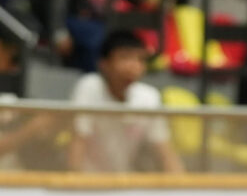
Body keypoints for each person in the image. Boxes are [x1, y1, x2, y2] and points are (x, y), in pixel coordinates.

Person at [68, 26, 180, 172]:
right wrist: (74, 180)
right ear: (104, 63)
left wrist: (181, 181)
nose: (133, 66)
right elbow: (78, 142)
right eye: (125, 57)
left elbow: (165, 152)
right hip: (86, 181)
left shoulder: (149, 97)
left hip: (123, 181)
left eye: (140, 59)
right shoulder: (89, 87)